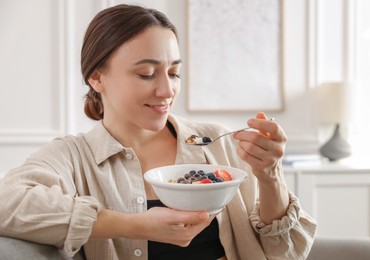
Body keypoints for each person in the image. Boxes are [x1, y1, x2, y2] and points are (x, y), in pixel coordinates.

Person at [0, 4, 317, 260]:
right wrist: (136, 225)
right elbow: (8, 205)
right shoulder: (73, 158)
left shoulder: (219, 144)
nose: (167, 90)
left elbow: (284, 254)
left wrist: (269, 174)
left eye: (174, 72)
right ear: (97, 78)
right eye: (146, 74)